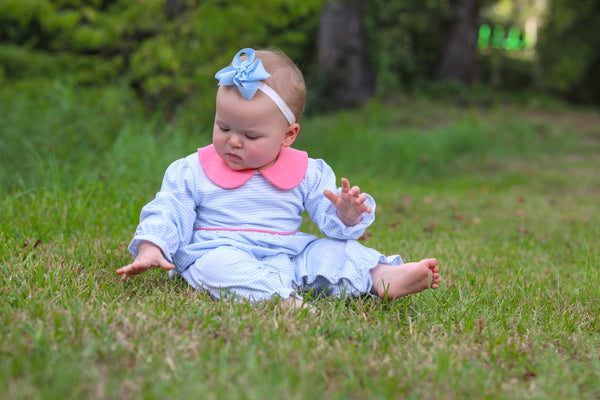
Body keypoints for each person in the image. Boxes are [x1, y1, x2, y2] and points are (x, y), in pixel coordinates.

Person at [116, 48, 440, 307]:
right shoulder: (192, 170)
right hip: (219, 248)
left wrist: (346, 212)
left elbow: (331, 224)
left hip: (287, 252)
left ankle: (381, 276)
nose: (233, 141)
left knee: (332, 252)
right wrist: (151, 245)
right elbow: (169, 209)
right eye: (223, 127)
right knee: (215, 268)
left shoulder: (309, 171)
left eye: (251, 135)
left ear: (288, 135)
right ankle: (281, 300)